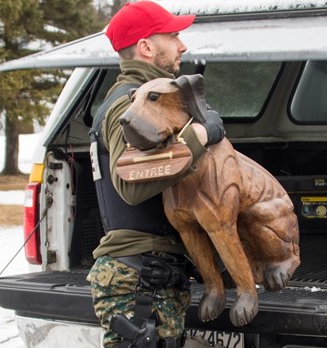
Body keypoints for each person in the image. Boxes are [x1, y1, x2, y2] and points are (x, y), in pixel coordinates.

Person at [86, 2, 225, 347]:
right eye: (174, 36)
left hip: (155, 272)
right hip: (137, 276)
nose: (182, 45)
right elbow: (127, 187)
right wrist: (201, 136)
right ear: (146, 47)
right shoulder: (127, 104)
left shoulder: (154, 100)